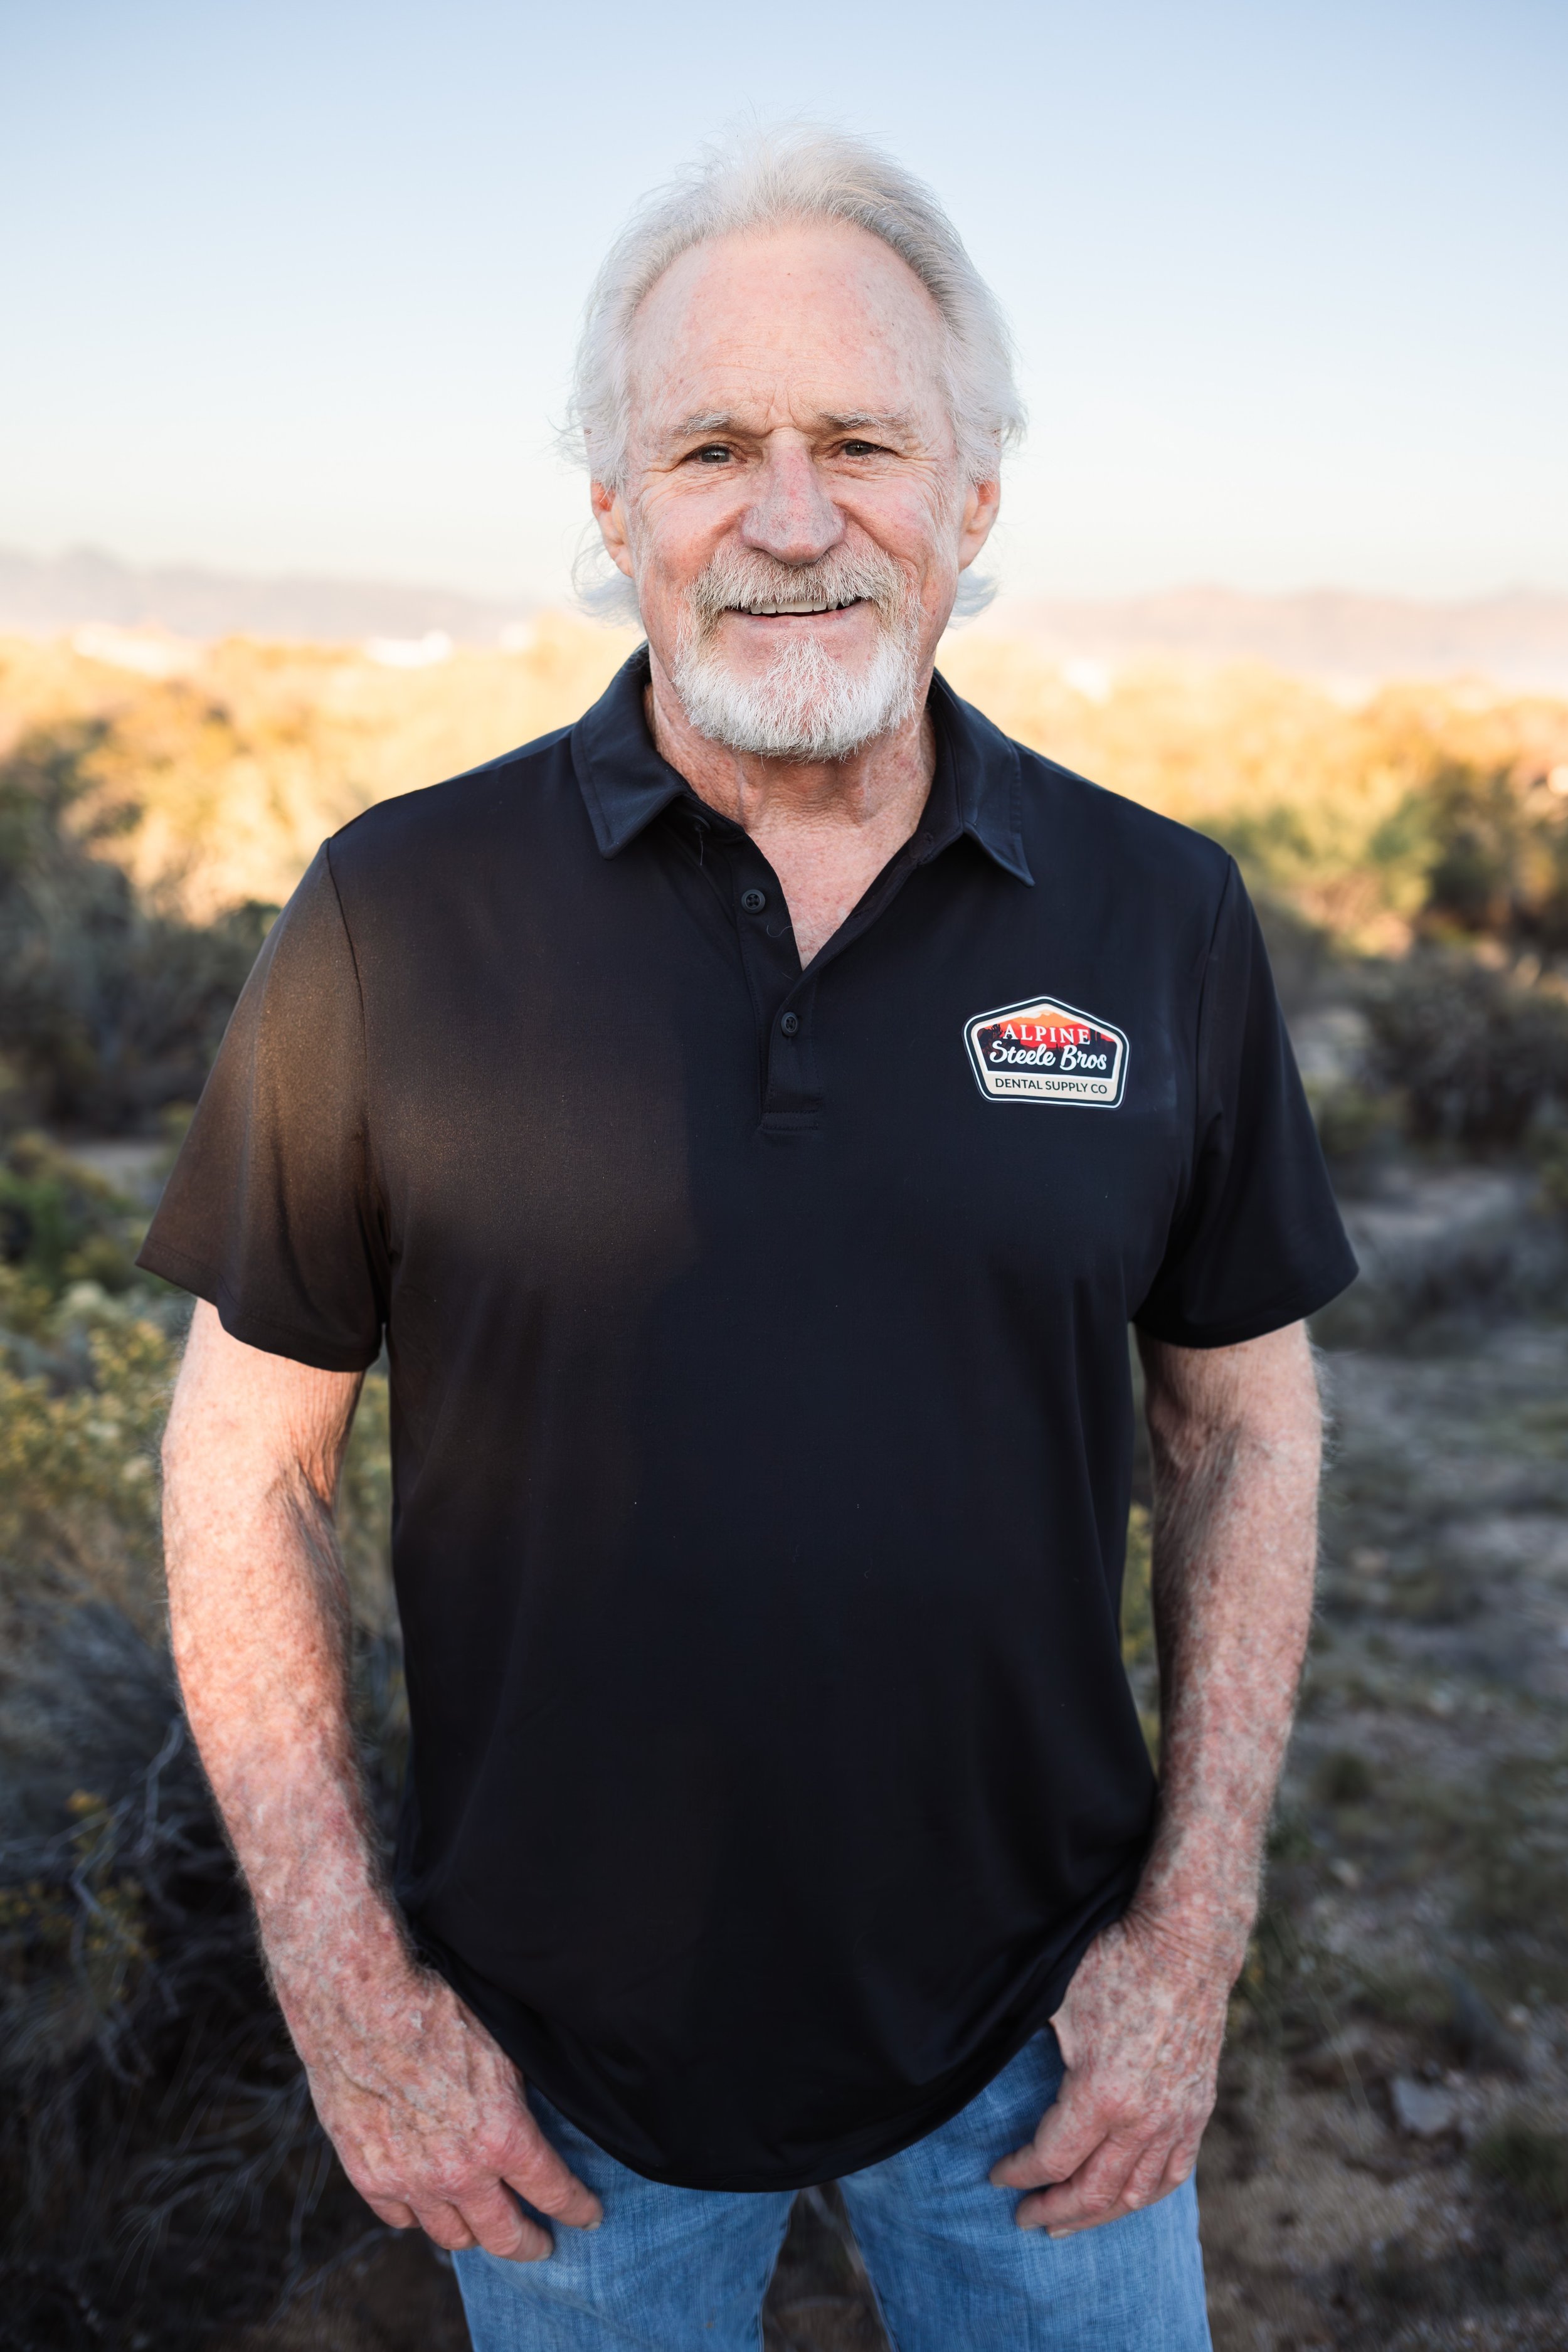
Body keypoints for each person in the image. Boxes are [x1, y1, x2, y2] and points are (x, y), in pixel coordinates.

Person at [147, 127, 1355, 2352]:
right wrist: (350, 1999)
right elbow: (246, 1455)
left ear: (973, 496)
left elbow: (1244, 1426)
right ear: (615, 508)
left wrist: (1189, 1947)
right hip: (551, 2069)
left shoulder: (1156, 913)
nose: (789, 521)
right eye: (711, 446)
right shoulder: (397, 915)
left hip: (1042, 2046)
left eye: (861, 444)